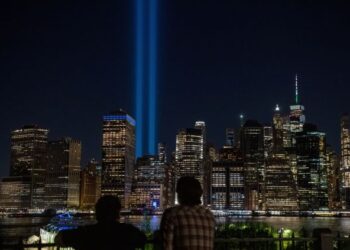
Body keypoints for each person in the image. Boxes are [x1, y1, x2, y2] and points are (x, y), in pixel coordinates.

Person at [55, 195, 147, 250]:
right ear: (117, 213)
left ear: (97, 212)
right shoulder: (128, 232)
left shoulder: (86, 233)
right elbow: (143, 239)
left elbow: (59, 238)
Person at [159, 176, 215, 250]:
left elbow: (166, 247)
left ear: (180, 194)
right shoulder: (209, 216)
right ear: (199, 194)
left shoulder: (172, 214)